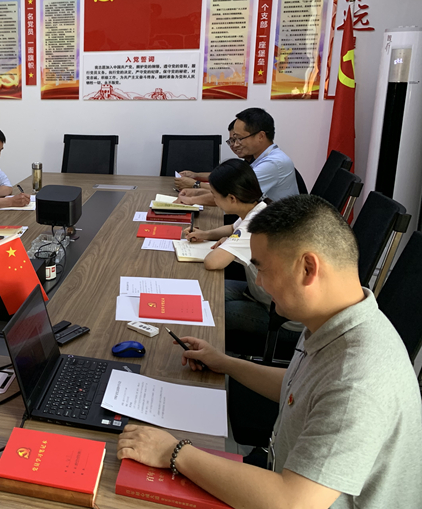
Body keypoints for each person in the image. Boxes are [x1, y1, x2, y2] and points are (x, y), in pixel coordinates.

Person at [118, 195, 422, 509]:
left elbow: (292, 502)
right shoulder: (336, 318)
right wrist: (224, 362)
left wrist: (173, 452)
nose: (260, 282)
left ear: (308, 268)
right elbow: (299, 387)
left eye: (262, 269)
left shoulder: (357, 379)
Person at [183, 159, 272, 348]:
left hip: (279, 315)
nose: (213, 200)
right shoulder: (258, 208)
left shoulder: (255, 225)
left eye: (215, 196)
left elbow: (212, 262)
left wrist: (229, 241)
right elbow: (232, 228)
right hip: (260, 293)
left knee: (212, 308)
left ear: (232, 198)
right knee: (205, 292)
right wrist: (206, 234)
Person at [178, 108, 298, 206]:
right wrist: (197, 192)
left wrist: (191, 199)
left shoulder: (273, 163)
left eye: (240, 138)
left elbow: (231, 196)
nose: (235, 144)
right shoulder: (260, 158)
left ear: (261, 136)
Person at [174, 120, 252, 190]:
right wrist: (195, 175)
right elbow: (225, 177)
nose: (235, 145)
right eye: (232, 140)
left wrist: (196, 184)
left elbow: (231, 192)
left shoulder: (258, 167)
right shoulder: (248, 162)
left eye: (240, 139)